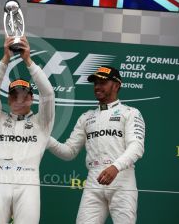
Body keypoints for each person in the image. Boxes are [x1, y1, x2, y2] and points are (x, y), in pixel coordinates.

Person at [47, 66, 145, 224]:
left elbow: (136, 147)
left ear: (117, 85)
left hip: (122, 179)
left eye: (103, 83)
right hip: (94, 179)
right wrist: (45, 138)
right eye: (95, 83)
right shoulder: (86, 117)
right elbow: (69, 152)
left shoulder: (130, 113)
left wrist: (115, 167)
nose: (98, 87)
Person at [0, 36, 55, 224]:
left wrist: (28, 60)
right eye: (14, 96)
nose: (19, 100)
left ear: (32, 99)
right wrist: (5, 59)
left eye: (24, 95)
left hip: (28, 180)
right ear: (8, 100)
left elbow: (48, 93)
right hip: (0, 180)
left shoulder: (43, 122)